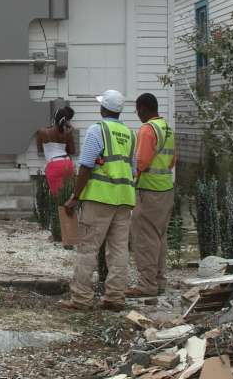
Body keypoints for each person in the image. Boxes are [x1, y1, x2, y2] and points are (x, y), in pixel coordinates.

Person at [60, 90, 137, 312]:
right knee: (119, 250)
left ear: (103, 109)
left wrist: (75, 196)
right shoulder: (130, 134)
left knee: (88, 248)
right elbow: (131, 169)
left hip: (100, 198)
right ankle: (115, 297)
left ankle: (82, 299)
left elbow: (86, 166)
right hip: (124, 200)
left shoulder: (98, 130)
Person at [127, 93, 177, 298]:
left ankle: (147, 284)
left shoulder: (147, 130)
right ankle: (159, 281)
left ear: (142, 108)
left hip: (149, 191)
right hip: (166, 189)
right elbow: (173, 160)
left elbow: (141, 162)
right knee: (159, 237)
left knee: (145, 238)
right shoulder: (167, 128)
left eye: (137, 110)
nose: (137, 114)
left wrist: (130, 178)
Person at [36, 106, 77, 247]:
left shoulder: (42, 132)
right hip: (67, 163)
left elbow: (40, 150)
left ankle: (58, 235)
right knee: (68, 200)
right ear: (66, 121)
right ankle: (71, 236)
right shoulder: (67, 133)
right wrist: (69, 130)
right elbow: (72, 151)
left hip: (53, 166)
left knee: (56, 201)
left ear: (54, 118)